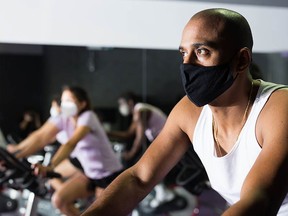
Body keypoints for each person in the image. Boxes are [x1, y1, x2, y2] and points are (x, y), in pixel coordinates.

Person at [81, 8, 288, 216]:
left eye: (202, 52)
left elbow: (261, 198)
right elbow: (138, 179)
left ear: (241, 60)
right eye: (183, 53)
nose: (187, 65)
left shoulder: (278, 107)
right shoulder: (189, 112)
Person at [7, 86, 123, 216]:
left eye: (69, 100)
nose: (65, 104)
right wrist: (14, 154)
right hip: (89, 173)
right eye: (63, 100)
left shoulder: (88, 116)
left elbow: (71, 143)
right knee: (59, 200)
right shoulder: (64, 119)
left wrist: (51, 166)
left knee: (102, 212)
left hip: (108, 175)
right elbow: (40, 136)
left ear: (82, 103)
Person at [108, 92, 176, 208]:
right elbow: (128, 134)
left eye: (121, 103)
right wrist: (106, 133)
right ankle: (161, 190)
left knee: (146, 165)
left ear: (130, 102)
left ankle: (161, 192)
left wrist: (131, 153)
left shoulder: (141, 111)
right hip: (162, 139)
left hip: (169, 139)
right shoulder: (138, 111)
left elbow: (140, 137)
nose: (121, 106)